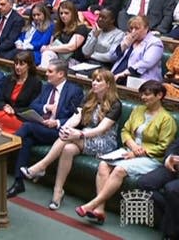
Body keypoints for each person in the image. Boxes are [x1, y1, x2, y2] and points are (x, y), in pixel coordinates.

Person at [76, 80, 176, 224]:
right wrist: (132, 146)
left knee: (119, 170)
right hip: (129, 149)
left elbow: (163, 146)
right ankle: (100, 210)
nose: (143, 98)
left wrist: (137, 153)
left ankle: (92, 204)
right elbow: (126, 131)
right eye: (142, 94)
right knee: (103, 165)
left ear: (159, 95)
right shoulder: (138, 110)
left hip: (151, 158)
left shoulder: (167, 119)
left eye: (147, 95)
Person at [23, 70, 122, 210]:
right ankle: (58, 191)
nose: (94, 83)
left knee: (68, 139)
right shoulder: (90, 97)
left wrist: (79, 135)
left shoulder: (115, 104)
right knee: (68, 148)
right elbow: (77, 116)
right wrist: (66, 127)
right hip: (86, 135)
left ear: (108, 84)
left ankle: (42, 166)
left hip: (104, 141)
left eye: (99, 80)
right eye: (93, 79)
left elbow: (101, 129)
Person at [6, 59, 84, 198]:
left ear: (61, 74)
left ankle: (5, 149)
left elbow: (78, 118)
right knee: (27, 140)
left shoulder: (75, 91)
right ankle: (18, 183)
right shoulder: (47, 87)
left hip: (59, 133)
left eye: (50, 71)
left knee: (27, 127)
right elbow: (33, 105)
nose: (46, 74)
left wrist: (57, 122)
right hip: (41, 127)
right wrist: (45, 107)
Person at [138, 137, 179, 239]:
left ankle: (170, 235)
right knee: (144, 184)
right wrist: (169, 158)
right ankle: (172, 215)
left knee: (171, 189)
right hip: (174, 168)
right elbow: (174, 146)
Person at [0, 50, 42, 134]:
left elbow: (32, 107)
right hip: (5, 112)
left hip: (19, 118)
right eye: (16, 64)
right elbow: (0, 99)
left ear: (29, 66)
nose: (17, 67)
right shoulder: (9, 79)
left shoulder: (35, 83)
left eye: (21, 64)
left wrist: (13, 110)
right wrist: (5, 106)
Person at [111, 16, 164, 85]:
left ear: (146, 28)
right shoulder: (127, 38)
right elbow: (111, 57)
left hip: (142, 79)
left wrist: (124, 73)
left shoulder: (155, 42)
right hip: (117, 76)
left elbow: (146, 63)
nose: (133, 31)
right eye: (131, 28)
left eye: (137, 28)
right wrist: (124, 45)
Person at [40, 1, 89, 67]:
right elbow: (51, 44)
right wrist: (47, 47)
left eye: (66, 13)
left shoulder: (81, 28)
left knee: (48, 54)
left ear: (73, 14)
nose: (63, 15)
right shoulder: (58, 27)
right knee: (46, 54)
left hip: (73, 60)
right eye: (61, 13)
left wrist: (50, 48)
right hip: (57, 57)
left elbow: (71, 47)